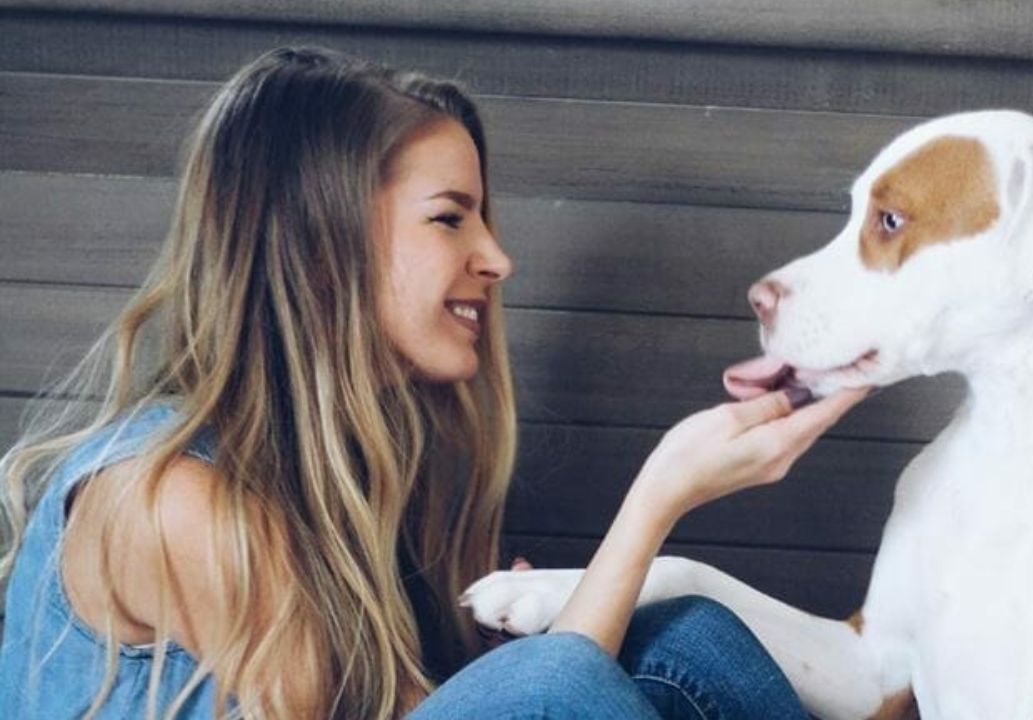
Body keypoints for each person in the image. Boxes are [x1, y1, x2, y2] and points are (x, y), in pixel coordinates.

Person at [0, 47, 866, 719]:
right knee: (559, 675)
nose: (496, 258)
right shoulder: (175, 503)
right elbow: (549, 701)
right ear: (319, 243)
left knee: (687, 639)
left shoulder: (343, 468)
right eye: (451, 218)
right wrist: (657, 502)